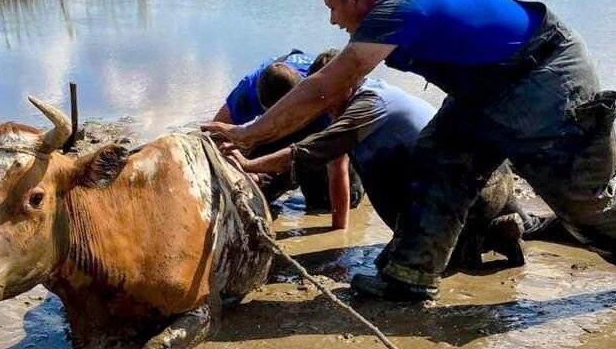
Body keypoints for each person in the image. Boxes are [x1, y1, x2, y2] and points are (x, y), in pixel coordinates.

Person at [203, 0, 615, 301]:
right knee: (438, 156)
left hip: (544, 73)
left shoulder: (397, 9)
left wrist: (248, 134)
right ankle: (410, 275)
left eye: (333, 7)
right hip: (486, 86)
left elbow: (326, 87)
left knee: (583, 202)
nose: (332, 21)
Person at [224, 62, 549, 274]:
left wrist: (251, 164)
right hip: (489, 176)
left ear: (344, 86)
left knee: (396, 270)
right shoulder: (378, 91)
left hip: (468, 189)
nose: (322, 104)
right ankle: (496, 230)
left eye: (325, 96)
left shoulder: (364, 109)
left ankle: (480, 239)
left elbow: (314, 152)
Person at [213, 49, 363, 226]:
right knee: (249, 190)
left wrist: (339, 231)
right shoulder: (249, 90)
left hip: (318, 130)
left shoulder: (326, 98)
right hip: (273, 133)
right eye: (271, 117)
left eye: (285, 121)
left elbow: (338, 167)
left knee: (333, 202)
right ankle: (271, 178)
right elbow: (217, 131)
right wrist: (236, 165)